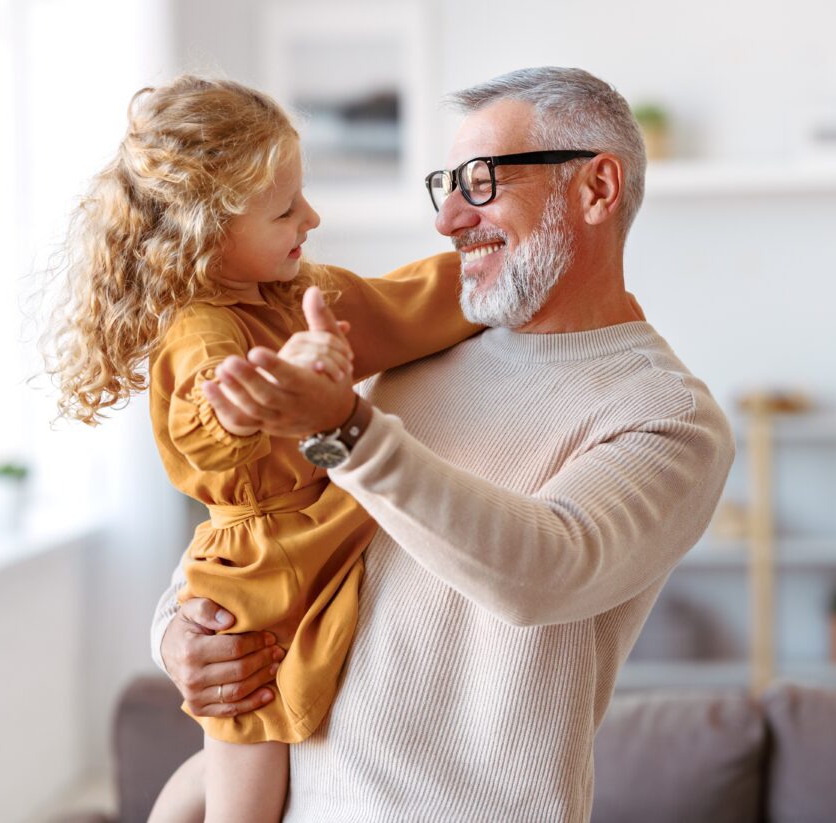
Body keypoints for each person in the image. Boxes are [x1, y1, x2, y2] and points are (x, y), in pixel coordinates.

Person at [150, 66, 737, 821]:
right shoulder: (409, 353)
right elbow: (268, 519)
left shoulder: (666, 415)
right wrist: (177, 632)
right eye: (447, 184)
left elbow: (543, 570)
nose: (450, 218)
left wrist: (343, 428)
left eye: (484, 181)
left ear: (596, 189)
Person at [42, 75, 479, 822]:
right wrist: (283, 385)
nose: (311, 216)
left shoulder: (296, 293)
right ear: (207, 232)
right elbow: (212, 428)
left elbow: (401, 305)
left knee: (237, 769)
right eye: (285, 209)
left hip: (316, 527)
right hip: (258, 574)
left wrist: (492, 274)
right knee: (247, 766)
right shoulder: (203, 331)